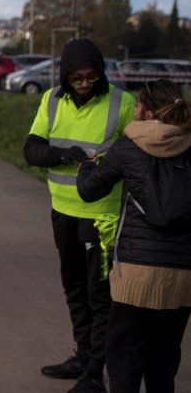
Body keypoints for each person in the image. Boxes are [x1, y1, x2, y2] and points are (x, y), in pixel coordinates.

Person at [23, 38, 135, 393]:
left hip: (101, 217)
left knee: (99, 294)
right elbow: (32, 149)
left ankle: (95, 373)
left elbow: (137, 157)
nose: (84, 84)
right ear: (65, 76)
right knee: (73, 287)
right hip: (62, 210)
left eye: (91, 77)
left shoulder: (123, 103)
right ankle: (83, 355)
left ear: (101, 74)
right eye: (76, 78)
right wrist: (63, 154)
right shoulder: (51, 99)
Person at [77, 80, 191, 393]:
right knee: (165, 358)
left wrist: (86, 168)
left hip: (135, 272)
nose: (134, 111)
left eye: (138, 106)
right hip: (183, 273)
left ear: (149, 111)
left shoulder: (129, 145)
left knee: (124, 356)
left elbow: (89, 191)